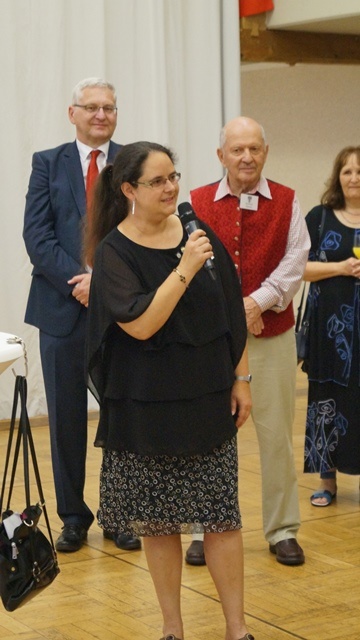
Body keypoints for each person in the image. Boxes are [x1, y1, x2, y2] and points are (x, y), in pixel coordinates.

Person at [85, 141, 255, 640]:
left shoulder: (199, 234)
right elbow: (140, 324)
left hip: (206, 396)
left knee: (222, 517)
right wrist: (183, 269)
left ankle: (237, 629)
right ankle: (173, 628)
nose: (171, 188)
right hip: (147, 405)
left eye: (174, 176)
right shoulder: (114, 251)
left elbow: (231, 310)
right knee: (159, 525)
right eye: (158, 181)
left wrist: (241, 378)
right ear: (129, 190)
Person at [186, 116, 310, 567]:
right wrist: (233, 313)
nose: (246, 157)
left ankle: (282, 530)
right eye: (237, 149)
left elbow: (296, 261)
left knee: (277, 436)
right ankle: (203, 528)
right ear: (221, 156)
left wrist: (257, 303)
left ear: (265, 151)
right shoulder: (196, 202)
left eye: (254, 148)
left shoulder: (288, 201)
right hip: (214, 341)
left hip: (272, 334)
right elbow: (190, 263)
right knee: (209, 436)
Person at [23, 77, 140, 553]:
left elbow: (145, 226)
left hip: (123, 311)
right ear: (72, 113)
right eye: (91, 107)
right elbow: (37, 237)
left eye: (108, 107)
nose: (100, 115)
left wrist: (105, 282)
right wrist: (81, 280)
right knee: (66, 419)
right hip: (61, 310)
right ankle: (73, 517)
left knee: (121, 417)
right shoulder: (47, 163)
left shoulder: (135, 161)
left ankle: (119, 516)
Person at [303, 146, 360, 506]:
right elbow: (298, 269)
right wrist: (340, 268)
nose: (354, 178)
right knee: (327, 397)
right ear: (338, 177)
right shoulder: (319, 217)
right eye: (348, 172)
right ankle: (327, 481)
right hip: (329, 329)